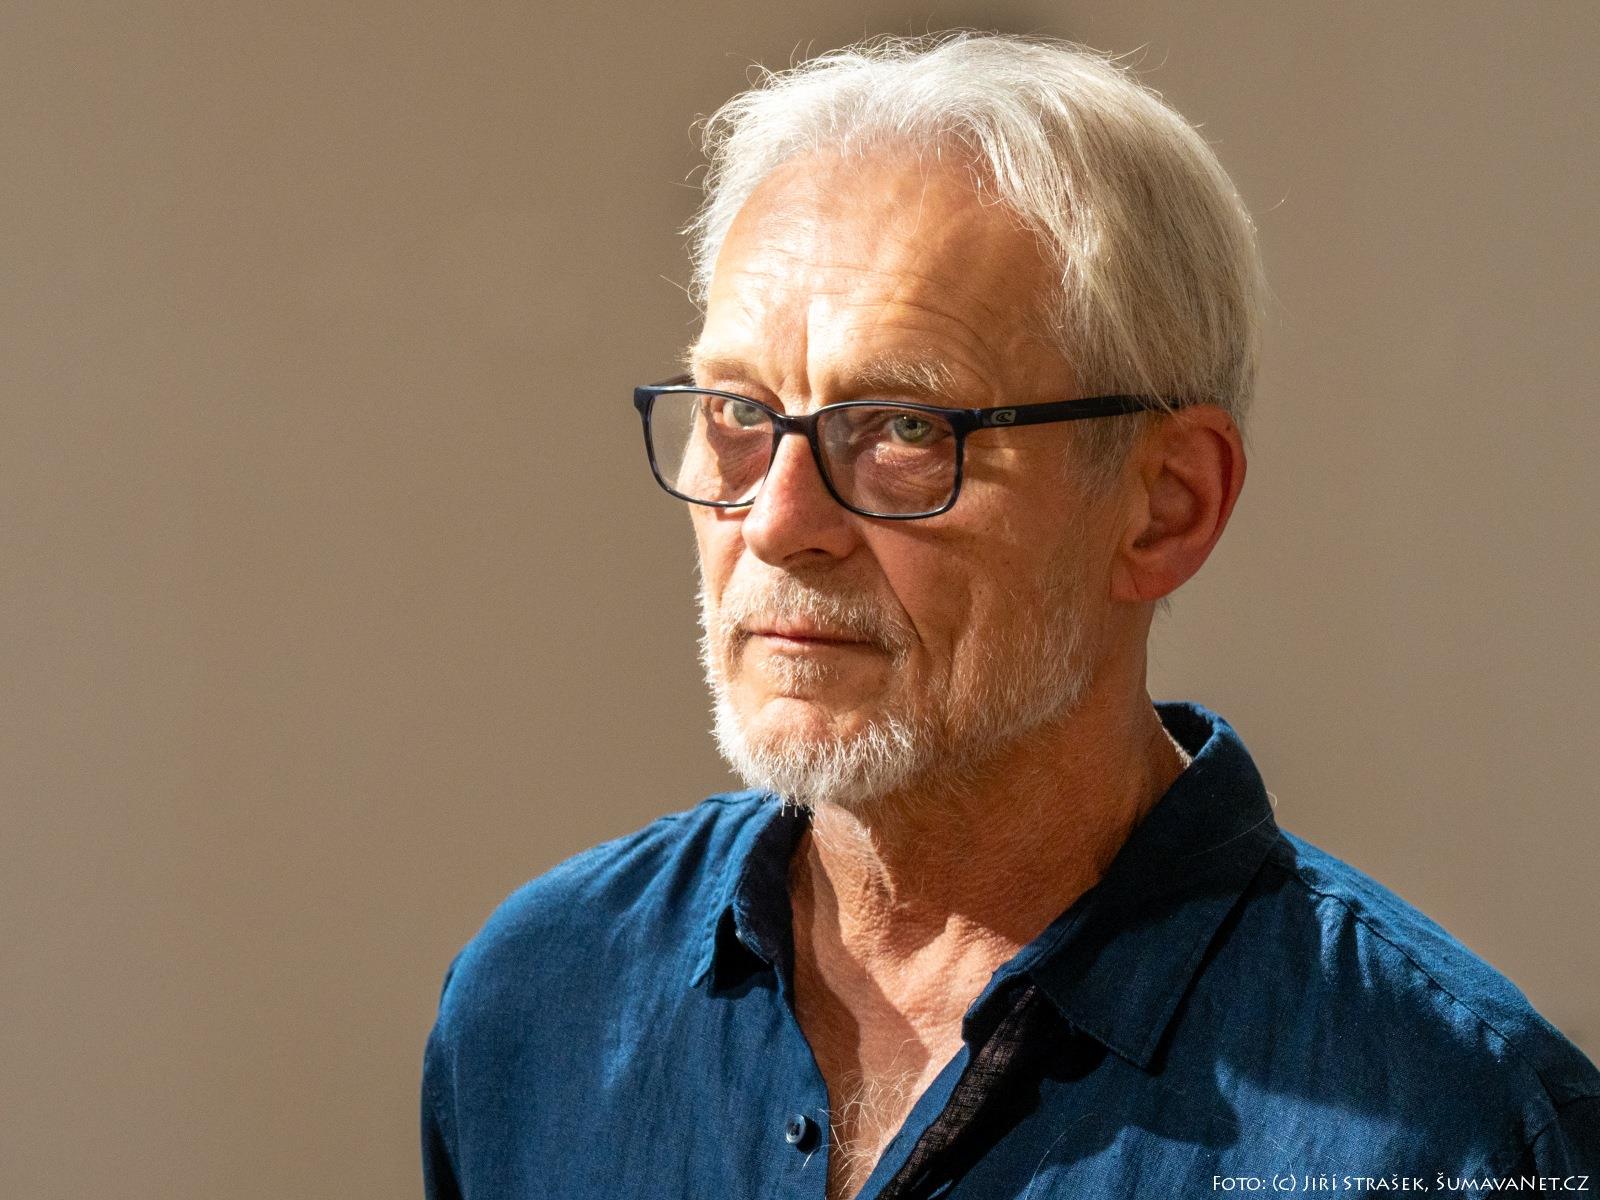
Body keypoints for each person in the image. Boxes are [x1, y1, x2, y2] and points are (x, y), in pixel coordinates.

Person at [421, 33, 1599, 1199]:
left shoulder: (1459, 1139)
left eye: (904, 428)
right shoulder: (542, 1004)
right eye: (737, 411)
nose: (777, 523)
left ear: (1164, 506)